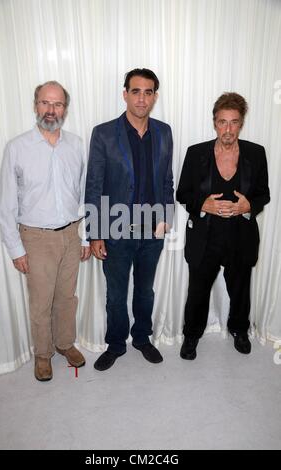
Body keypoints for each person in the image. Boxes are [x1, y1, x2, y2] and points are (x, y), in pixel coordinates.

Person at [0, 81, 91, 381]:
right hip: (35, 238)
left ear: (66, 108)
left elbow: (85, 194)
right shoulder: (17, 148)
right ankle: (43, 354)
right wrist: (16, 249)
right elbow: (6, 205)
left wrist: (86, 235)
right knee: (40, 302)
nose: (51, 110)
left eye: (58, 104)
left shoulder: (76, 145)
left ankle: (65, 344)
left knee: (67, 297)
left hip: (70, 233)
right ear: (35, 105)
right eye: (45, 103)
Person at [85, 68, 174, 371]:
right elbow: (94, 185)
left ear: (155, 97)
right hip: (115, 228)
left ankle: (142, 338)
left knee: (145, 291)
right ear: (125, 94)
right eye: (135, 91)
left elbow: (166, 181)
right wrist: (95, 233)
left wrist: (166, 218)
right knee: (116, 294)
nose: (141, 98)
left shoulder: (164, 131)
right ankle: (115, 344)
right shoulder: (104, 133)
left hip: (152, 229)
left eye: (148, 92)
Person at [176, 92, 270, 360]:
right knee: (197, 291)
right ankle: (191, 334)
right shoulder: (196, 153)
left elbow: (264, 194)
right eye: (222, 122)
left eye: (234, 122)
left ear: (241, 124)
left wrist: (248, 206)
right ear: (214, 122)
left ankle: (240, 330)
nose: (227, 129)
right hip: (205, 237)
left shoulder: (256, 153)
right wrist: (203, 204)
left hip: (241, 237)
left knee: (240, 289)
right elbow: (183, 193)